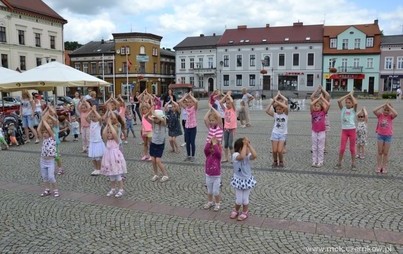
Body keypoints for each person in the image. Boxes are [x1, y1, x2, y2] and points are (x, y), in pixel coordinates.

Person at [229, 137, 257, 221]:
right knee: (239, 200)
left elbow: (255, 155)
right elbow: (241, 157)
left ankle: (245, 212)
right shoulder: (235, 155)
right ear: (240, 148)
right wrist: (245, 144)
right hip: (239, 180)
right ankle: (236, 210)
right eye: (245, 147)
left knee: (245, 200)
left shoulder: (247, 156)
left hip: (247, 180)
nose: (247, 149)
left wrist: (248, 145)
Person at [101, 120, 127, 198]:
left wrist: (110, 125)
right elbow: (103, 133)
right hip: (109, 160)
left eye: (110, 132)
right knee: (111, 176)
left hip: (116, 160)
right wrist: (107, 126)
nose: (109, 134)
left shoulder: (116, 140)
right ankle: (113, 189)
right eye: (108, 133)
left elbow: (115, 133)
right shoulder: (107, 141)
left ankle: (121, 189)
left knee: (118, 176)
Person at [334, 91, 358, 170]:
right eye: (346, 102)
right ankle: (339, 163)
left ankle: (354, 164)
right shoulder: (343, 109)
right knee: (342, 148)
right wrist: (348, 95)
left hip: (352, 130)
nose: (347, 104)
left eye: (349, 102)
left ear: (352, 104)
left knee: (352, 148)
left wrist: (352, 96)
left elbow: (356, 103)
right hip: (344, 130)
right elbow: (338, 101)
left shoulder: (353, 110)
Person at [36, 118, 59, 197]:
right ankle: (47, 190)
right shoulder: (43, 139)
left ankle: (55, 190)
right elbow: (38, 129)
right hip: (43, 160)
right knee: (45, 177)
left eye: (46, 133)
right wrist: (41, 121)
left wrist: (44, 120)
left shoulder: (52, 138)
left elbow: (49, 128)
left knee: (51, 177)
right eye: (43, 133)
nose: (44, 134)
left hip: (50, 161)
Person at [373, 102, 398, 174]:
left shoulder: (391, 116)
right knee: (380, 152)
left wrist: (389, 107)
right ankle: (378, 166)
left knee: (386, 153)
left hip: (388, 136)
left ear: (390, 111)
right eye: (385, 110)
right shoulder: (380, 115)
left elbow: (396, 114)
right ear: (382, 109)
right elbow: (374, 110)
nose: (386, 111)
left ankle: (384, 166)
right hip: (380, 135)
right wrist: (383, 105)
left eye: (388, 110)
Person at [266, 95, 288, 168]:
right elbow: (266, 110)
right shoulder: (275, 115)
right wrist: (272, 102)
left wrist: (278, 101)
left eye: (280, 109)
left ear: (283, 109)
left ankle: (281, 161)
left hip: (282, 134)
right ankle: (275, 161)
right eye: (277, 109)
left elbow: (286, 106)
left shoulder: (285, 114)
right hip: (275, 133)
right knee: (274, 151)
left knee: (279, 150)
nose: (278, 111)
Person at [147, 109, 169, 182]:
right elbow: (145, 117)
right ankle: (156, 174)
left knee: (158, 161)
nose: (155, 119)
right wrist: (150, 112)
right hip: (153, 143)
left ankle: (165, 175)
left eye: (156, 118)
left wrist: (156, 115)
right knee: (153, 160)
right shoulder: (153, 122)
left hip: (160, 144)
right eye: (154, 118)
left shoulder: (163, 123)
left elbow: (163, 120)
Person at [203, 135, 222, 211]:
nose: (211, 149)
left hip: (216, 177)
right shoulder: (208, 155)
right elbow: (205, 149)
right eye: (210, 148)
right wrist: (209, 142)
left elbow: (217, 151)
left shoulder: (218, 156)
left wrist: (214, 144)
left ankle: (217, 203)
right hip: (208, 175)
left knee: (216, 191)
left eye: (213, 148)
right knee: (209, 191)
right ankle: (210, 202)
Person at [310, 94, 329, 167]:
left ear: (321, 107)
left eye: (317, 106)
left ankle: (320, 161)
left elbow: (328, 104)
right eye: (315, 106)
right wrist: (318, 99)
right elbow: (311, 104)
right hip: (314, 131)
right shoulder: (312, 112)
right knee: (314, 147)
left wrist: (322, 99)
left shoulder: (323, 112)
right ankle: (314, 161)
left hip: (321, 132)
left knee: (321, 147)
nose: (316, 107)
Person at [178, 93, 198, 162]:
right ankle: (188, 155)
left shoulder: (194, 108)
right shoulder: (186, 108)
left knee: (192, 142)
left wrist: (191, 96)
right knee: (188, 142)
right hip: (187, 127)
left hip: (193, 127)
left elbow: (196, 102)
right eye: (188, 102)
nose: (189, 103)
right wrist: (185, 96)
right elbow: (180, 102)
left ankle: (193, 156)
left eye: (190, 102)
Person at [86, 105, 105, 176]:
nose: (93, 118)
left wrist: (94, 111)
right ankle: (95, 169)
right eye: (92, 117)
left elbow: (100, 118)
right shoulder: (91, 123)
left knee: (97, 157)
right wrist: (91, 111)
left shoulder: (99, 123)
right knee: (93, 157)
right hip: (92, 142)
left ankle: (99, 169)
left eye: (94, 117)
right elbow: (86, 117)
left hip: (97, 141)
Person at [219, 91, 237, 163]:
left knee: (230, 144)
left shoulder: (233, 109)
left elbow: (232, 102)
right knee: (225, 144)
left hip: (232, 129)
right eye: (226, 103)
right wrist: (226, 96)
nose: (227, 104)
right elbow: (220, 102)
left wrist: (229, 96)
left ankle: (233, 158)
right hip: (226, 129)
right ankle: (226, 158)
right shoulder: (225, 109)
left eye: (228, 103)